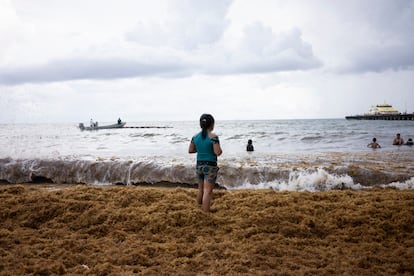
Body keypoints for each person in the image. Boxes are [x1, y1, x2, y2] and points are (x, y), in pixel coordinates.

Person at [188, 114, 222, 212]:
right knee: (208, 191)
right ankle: (206, 212)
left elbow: (190, 150)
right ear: (212, 124)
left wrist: (200, 150)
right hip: (210, 166)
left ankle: (199, 209)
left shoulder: (195, 137)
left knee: (201, 189)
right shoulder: (213, 137)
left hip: (199, 165)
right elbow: (217, 152)